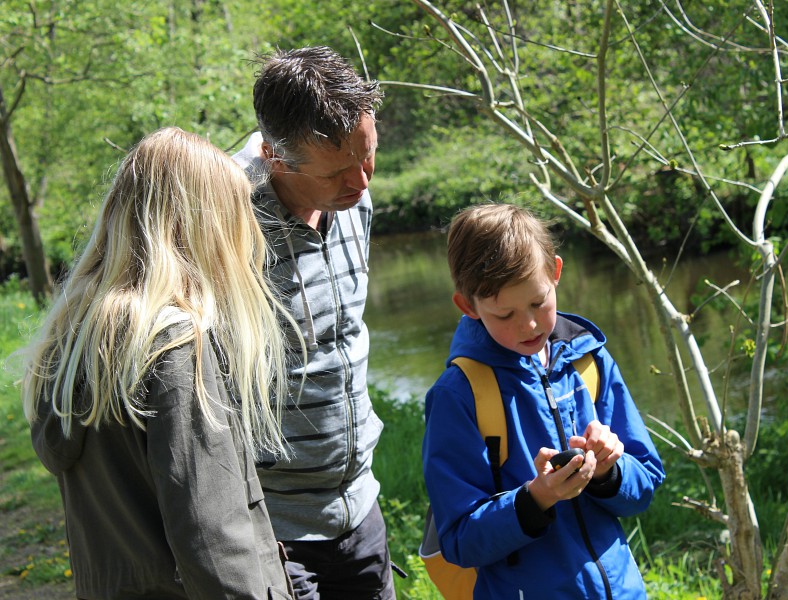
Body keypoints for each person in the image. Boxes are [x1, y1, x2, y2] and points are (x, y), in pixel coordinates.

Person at [21, 127, 297, 600]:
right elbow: (212, 538)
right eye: (233, 219)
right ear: (202, 226)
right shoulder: (172, 345)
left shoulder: (76, 330)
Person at [423, 203, 666, 599]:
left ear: (555, 272)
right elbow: (460, 541)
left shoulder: (588, 360)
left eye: (538, 302)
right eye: (505, 314)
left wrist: (609, 472)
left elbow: (646, 483)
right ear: (469, 307)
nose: (529, 324)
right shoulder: (459, 396)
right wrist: (537, 498)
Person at [232, 47, 394, 599]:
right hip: (274, 527)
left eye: (368, 158)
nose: (362, 183)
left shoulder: (353, 199)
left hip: (360, 505)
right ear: (276, 158)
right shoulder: (225, 223)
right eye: (338, 172)